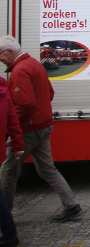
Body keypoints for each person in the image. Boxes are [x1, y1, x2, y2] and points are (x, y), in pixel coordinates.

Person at [0, 35, 83, 222]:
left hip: (26, 130)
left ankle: (4, 216)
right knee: (47, 169)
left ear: (9, 51)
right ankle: (72, 206)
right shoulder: (35, 64)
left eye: (1, 54)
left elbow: (25, 104)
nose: (0, 58)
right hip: (43, 126)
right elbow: (50, 93)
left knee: (8, 172)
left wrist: (10, 124)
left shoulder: (19, 71)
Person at [0, 77, 23, 247]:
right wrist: (16, 143)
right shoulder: (4, 91)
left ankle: (9, 233)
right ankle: (9, 233)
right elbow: (12, 118)